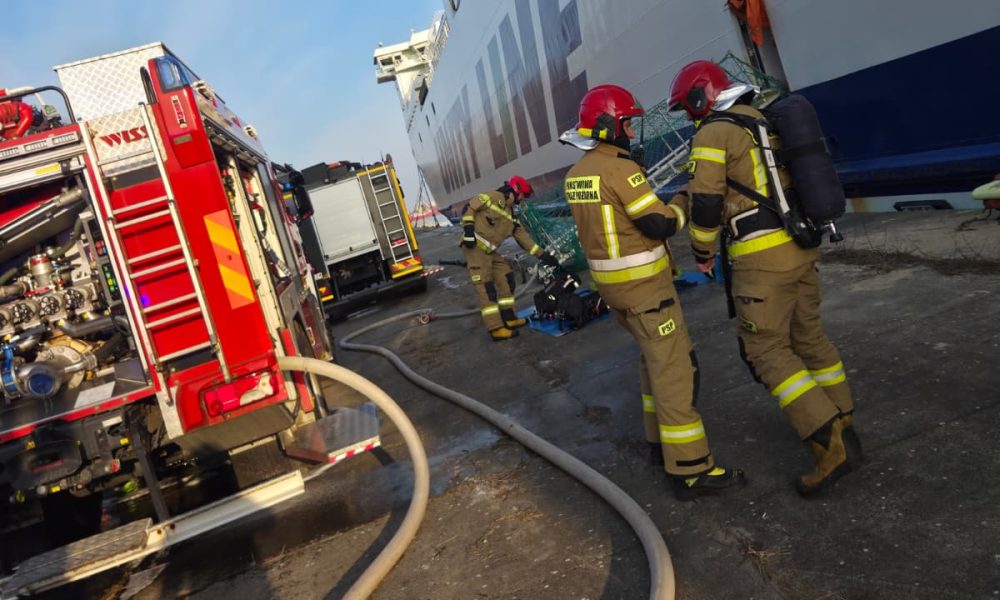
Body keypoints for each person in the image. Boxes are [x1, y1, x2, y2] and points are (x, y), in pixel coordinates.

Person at [668, 60, 861, 495]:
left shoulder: (713, 132)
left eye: (688, 108)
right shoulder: (761, 119)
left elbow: (704, 206)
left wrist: (700, 252)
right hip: (801, 247)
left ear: (702, 97)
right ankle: (845, 420)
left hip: (761, 259)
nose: (689, 117)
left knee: (767, 350)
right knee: (810, 337)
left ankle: (830, 445)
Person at [561, 84, 745, 501]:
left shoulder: (577, 175)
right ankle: (691, 468)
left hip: (614, 291)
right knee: (675, 371)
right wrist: (683, 199)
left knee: (651, 362)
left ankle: (657, 443)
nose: (631, 131)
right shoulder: (619, 170)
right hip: (646, 291)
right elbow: (657, 224)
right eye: (627, 122)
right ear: (608, 126)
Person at [461, 176, 558, 341]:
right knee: (486, 288)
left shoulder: (511, 215)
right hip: (475, 248)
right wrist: (469, 231)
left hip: (490, 252)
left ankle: (509, 318)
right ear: (517, 190)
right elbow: (469, 208)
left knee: (507, 278)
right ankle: (496, 328)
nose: (523, 201)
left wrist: (543, 255)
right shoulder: (493, 197)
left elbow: (523, 238)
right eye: (523, 196)